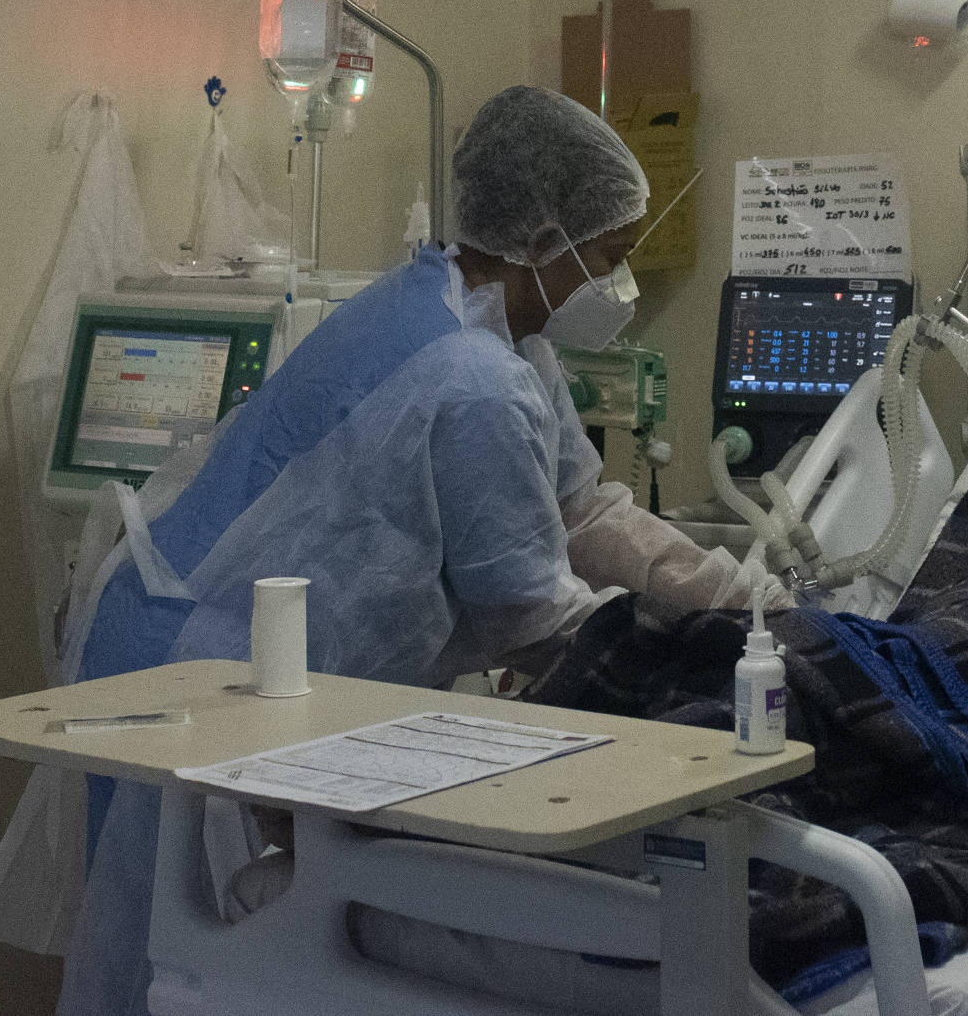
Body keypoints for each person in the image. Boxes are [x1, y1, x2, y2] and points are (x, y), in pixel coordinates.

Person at [41, 85, 763, 1015]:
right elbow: (532, 617)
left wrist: (738, 596)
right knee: (172, 969)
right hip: (206, 669)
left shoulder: (477, 323)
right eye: (611, 258)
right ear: (545, 239)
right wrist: (704, 649)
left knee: (202, 954)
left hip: (198, 630)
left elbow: (584, 510)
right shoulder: (474, 378)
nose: (618, 287)